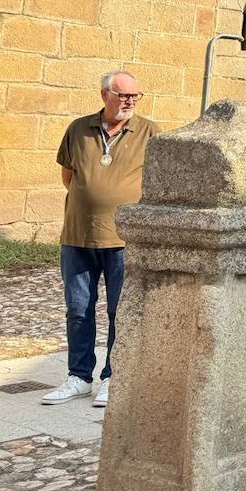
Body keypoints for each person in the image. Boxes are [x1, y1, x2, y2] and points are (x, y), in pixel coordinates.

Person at [44, 70, 158, 408]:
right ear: (104, 95)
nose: (129, 102)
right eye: (123, 95)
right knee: (78, 309)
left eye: (135, 96)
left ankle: (113, 377)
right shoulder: (79, 129)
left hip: (124, 239)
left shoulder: (150, 131)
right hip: (78, 234)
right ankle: (79, 377)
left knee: (119, 311)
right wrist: (92, 197)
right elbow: (69, 176)